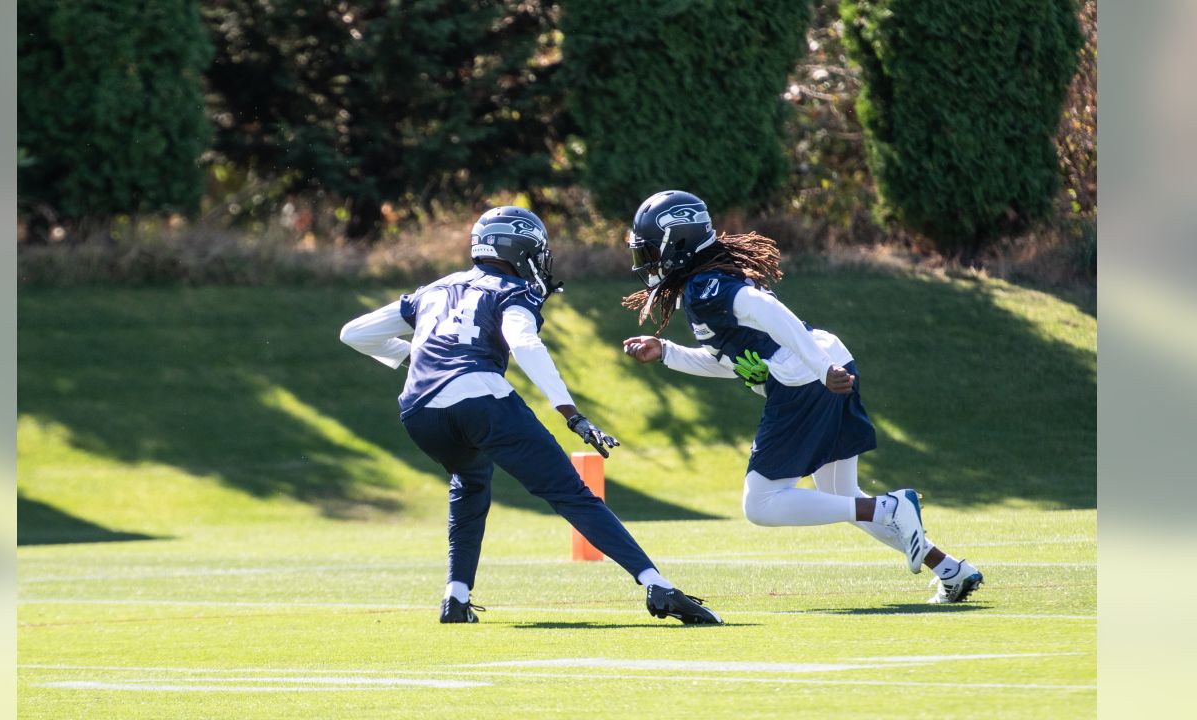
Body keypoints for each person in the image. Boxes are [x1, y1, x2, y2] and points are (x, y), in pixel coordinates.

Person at [340, 205, 723, 624]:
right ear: (521, 249)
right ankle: (657, 584)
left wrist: (417, 358)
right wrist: (571, 413)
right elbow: (524, 344)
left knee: (468, 482)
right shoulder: (512, 290)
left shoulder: (433, 289)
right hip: (478, 397)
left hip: (418, 412)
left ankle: (456, 597)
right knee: (569, 493)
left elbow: (354, 333)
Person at [620, 190, 983, 604]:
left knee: (761, 504)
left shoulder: (707, 288)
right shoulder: (708, 282)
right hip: (825, 362)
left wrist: (819, 369)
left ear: (677, 245)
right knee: (840, 496)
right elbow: (731, 360)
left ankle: (890, 507)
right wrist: (666, 352)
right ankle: (949, 569)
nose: (644, 262)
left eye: (649, 251)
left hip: (808, 380)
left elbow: (769, 314)